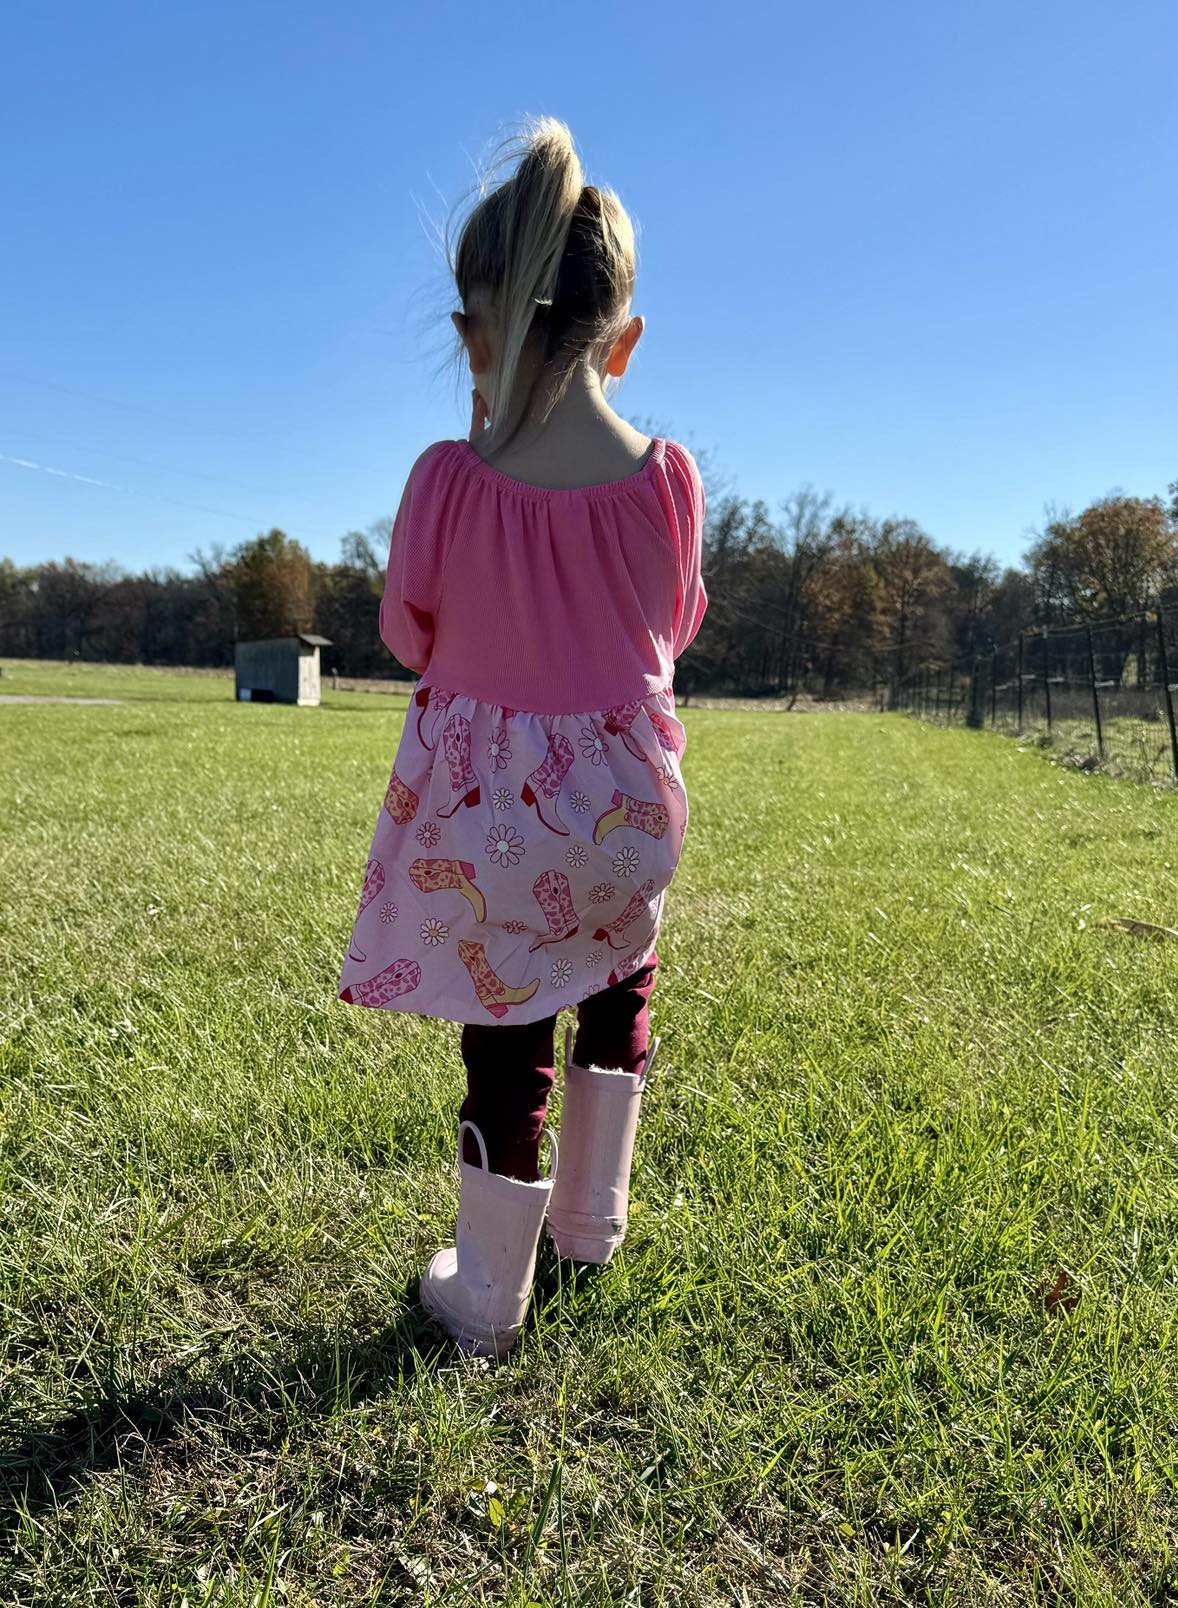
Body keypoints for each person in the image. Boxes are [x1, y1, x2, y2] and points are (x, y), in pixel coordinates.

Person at [338, 117, 707, 1358]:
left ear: (470, 337)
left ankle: (486, 1292)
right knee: (618, 986)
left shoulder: (446, 478)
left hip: (490, 813)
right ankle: (591, 1227)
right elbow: (677, 622)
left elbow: (407, 629)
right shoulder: (668, 478)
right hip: (626, 806)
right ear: (626, 337)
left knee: (507, 1035)